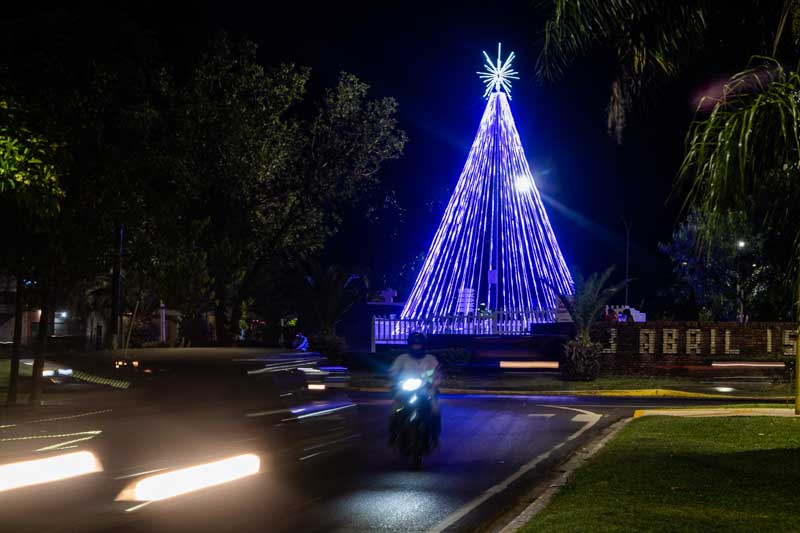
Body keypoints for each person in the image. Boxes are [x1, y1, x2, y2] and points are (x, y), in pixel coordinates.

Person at [388, 332, 442, 448]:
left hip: (425, 390)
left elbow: (436, 374)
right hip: (405, 389)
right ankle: (393, 435)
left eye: (419, 345)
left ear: (423, 345)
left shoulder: (430, 359)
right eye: (414, 345)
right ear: (409, 345)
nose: (416, 347)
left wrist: (434, 384)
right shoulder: (402, 359)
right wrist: (394, 384)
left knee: (435, 411)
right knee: (394, 411)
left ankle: (435, 436)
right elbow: (393, 373)